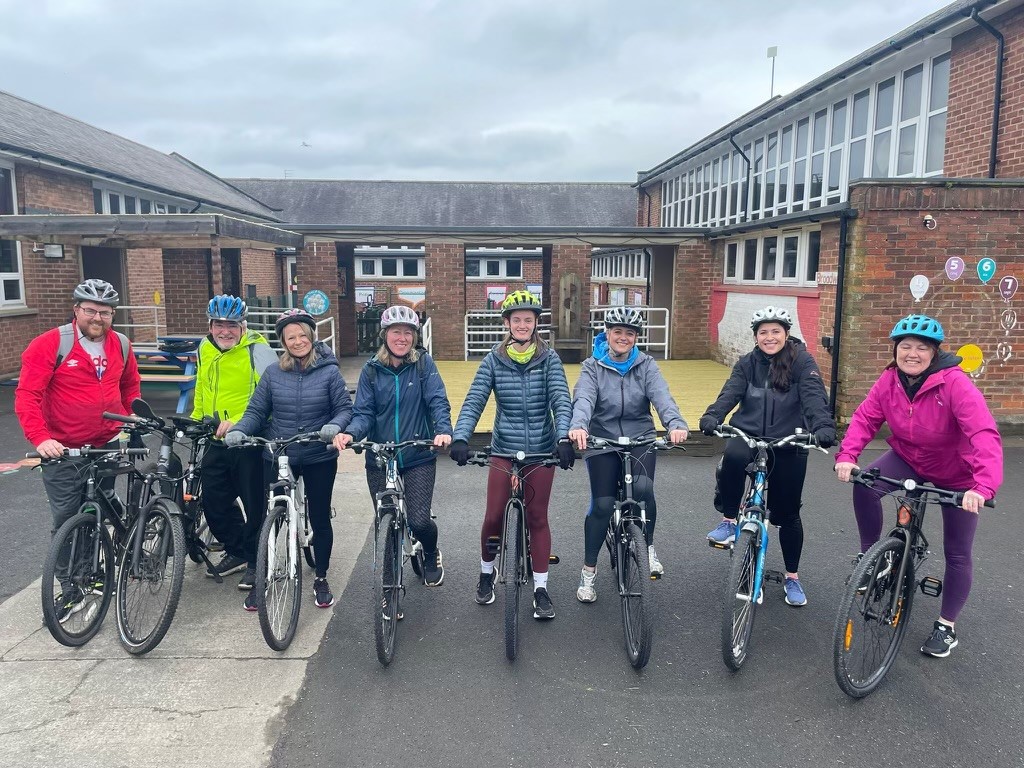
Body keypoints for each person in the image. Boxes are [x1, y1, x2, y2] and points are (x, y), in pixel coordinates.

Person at [834, 314, 1002, 658]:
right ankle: (872, 559)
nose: (912, 353)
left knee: (957, 551)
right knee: (865, 484)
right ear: (896, 350)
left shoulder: (955, 384)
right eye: (905, 346)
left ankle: (946, 625)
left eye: (921, 348)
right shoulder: (889, 380)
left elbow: (983, 433)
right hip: (910, 457)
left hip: (956, 472)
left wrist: (982, 487)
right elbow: (866, 417)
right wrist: (848, 455)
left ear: (934, 353)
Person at [15, 278, 141, 619]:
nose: (97, 317)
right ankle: (72, 587)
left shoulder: (122, 345)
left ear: (113, 314)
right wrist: (41, 438)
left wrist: (134, 416)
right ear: (76, 310)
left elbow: (130, 386)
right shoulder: (50, 344)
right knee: (68, 517)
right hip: (62, 447)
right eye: (90, 310)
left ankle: (96, 573)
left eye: (105, 311)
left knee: (98, 506)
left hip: (107, 442)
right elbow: (28, 395)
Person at [698, 305, 835, 607]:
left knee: (787, 516)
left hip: (789, 440)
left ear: (786, 334)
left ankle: (792, 577)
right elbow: (730, 393)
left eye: (775, 331)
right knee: (733, 455)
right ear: (756, 337)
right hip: (749, 435)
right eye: (763, 333)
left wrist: (823, 426)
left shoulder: (802, 363)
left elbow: (813, 397)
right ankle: (730, 519)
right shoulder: (747, 363)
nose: (769, 337)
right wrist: (713, 415)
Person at [450, 290, 574, 620]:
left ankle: (541, 588)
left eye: (528, 320)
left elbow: (562, 401)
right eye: (516, 320)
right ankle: (486, 571)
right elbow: (474, 400)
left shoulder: (550, 359)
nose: (522, 325)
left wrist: (564, 438)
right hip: (504, 447)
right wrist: (461, 437)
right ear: (507, 324)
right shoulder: (494, 359)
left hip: (541, 450)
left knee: (536, 518)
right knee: (493, 516)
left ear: (536, 325)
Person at [227, 309, 353, 611]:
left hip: (317, 453)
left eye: (302, 335)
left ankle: (321, 577)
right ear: (283, 342)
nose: (298, 341)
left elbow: (345, 409)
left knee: (320, 517)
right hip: (279, 451)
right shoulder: (273, 373)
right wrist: (241, 429)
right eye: (290, 337)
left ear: (311, 336)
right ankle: (264, 576)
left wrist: (334, 427)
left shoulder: (329, 372)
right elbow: (257, 411)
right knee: (267, 516)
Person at [567, 306, 688, 602]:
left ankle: (646, 547)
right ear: (607, 334)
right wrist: (579, 426)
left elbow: (661, 395)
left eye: (629, 333)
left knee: (645, 491)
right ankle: (589, 571)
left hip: (640, 436)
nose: (623, 337)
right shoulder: (592, 366)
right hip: (602, 439)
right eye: (617, 332)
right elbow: (583, 398)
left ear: (636, 338)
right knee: (603, 505)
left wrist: (674, 422)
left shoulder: (646, 365)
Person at [334, 305, 453, 588]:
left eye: (408, 332)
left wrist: (443, 431)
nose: (402, 338)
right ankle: (388, 589)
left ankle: (431, 552)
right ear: (385, 335)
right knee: (385, 522)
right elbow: (363, 412)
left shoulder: (423, 365)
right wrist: (351, 434)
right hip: (379, 455)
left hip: (417, 454)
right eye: (396, 332)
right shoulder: (371, 370)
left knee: (420, 521)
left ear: (414, 336)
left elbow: (437, 401)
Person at [191, 295, 279, 591]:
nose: (225, 331)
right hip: (214, 437)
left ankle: (257, 561)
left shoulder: (258, 350)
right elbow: (203, 385)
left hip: (250, 440)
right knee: (214, 501)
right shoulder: (204, 347)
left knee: (255, 505)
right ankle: (239, 550)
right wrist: (196, 418)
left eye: (232, 325)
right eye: (219, 324)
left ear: (243, 326)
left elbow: (271, 396)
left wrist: (240, 424)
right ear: (211, 325)